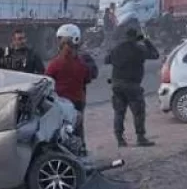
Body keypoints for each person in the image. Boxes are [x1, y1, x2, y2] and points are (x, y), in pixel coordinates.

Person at [45, 24, 97, 152]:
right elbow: (88, 77)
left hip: (61, 103)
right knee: (78, 129)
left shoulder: (55, 64)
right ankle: (81, 152)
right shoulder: (82, 62)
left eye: (60, 39)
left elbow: (46, 81)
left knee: (61, 130)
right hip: (79, 100)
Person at [105, 27, 158, 147]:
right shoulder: (139, 49)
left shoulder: (117, 49)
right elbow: (155, 54)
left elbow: (106, 60)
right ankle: (140, 138)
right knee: (138, 112)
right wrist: (146, 41)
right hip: (132, 85)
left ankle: (120, 139)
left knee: (119, 113)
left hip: (117, 84)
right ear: (136, 37)